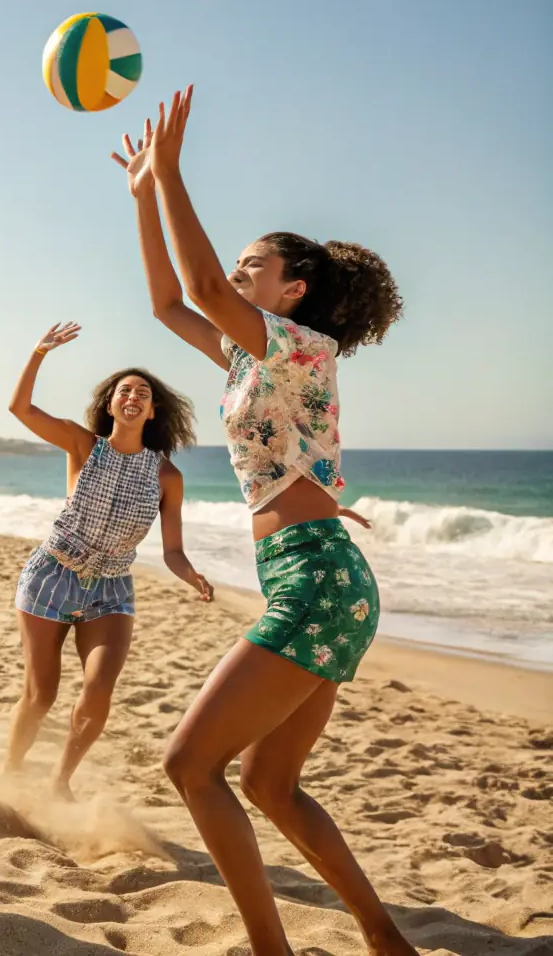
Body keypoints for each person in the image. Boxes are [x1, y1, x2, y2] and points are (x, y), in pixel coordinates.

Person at [112, 86, 414, 956]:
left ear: (294, 288)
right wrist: (144, 195)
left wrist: (173, 171)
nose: (238, 276)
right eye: (241, 267)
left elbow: (203, 287)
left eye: (254, 267)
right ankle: (386, 940)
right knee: (268, 786)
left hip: (315, 576)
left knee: (188, 766)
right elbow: (171, 303)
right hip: (312, 576)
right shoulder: (252, 355)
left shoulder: (302, 347)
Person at [4, 321, 211, 799]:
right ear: (111, 405)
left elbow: (172, 550)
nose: (133, 396)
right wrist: (39, 352)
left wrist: (192, 576)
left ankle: (60, 781)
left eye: (143, 392)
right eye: (124, 391)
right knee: (40, 694)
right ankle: (10, 772)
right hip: (51, 576)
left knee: (99, 688)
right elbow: (20, 409)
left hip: (112, 589)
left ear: (153, 410)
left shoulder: (168, 476)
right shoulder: (83, 445)